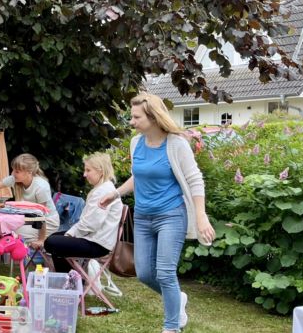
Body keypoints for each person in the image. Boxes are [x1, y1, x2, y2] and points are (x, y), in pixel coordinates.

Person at [100, 92, 215, 333]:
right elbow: (138, 176)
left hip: (171, 215)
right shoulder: (136, 143)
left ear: (153, 117)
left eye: (136, 117)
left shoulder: (176, 144)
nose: (131, 121)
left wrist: (201, 215)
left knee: (164, 272)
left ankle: (171, 326)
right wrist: (116, 193)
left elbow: (195, 180)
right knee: (143, 273)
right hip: (142, 217)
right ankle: (178, 299)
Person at [43, 152, 123, 273]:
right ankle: (69, 281)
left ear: (100, 171)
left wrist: (69, 234)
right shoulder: (103, 189)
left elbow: (90, 224)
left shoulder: (103, 192)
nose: (84, 174)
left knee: (52, 242)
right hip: (95, 239)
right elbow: (88, 223)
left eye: (88, 170)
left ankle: (69, 282)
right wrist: (70, 234)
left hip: (97, 244)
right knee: (54, 239)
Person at [0, 153, 60, 248]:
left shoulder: (41, 186)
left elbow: (42, 217)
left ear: (29, 172)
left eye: (17, 171)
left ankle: (22, 257)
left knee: (13, 232)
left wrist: (41, 240)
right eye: (13, 170)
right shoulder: (15, 180)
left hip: (48, 222)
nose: (12, 174)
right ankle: (17, 258)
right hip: (30, 219)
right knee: (5, 227)